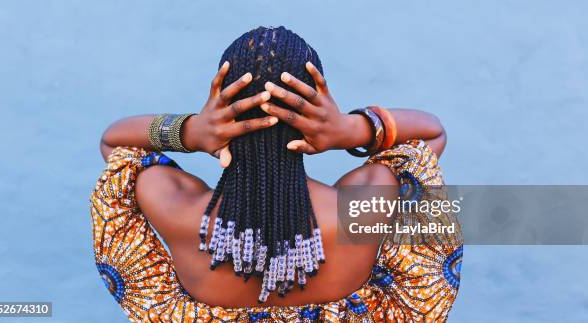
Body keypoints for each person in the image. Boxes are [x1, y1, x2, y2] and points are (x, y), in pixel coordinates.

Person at [90, 26, 462, 322]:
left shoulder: (177, 210)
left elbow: (115, 144)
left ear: (220, 107)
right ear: (317, 111)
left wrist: (190, 132)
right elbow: (431, 133)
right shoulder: (365, 203)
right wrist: (351, 129)